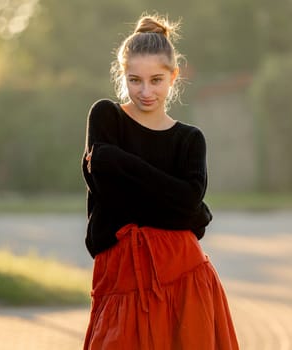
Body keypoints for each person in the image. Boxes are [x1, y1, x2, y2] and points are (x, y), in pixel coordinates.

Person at [81, 13, 239, 349]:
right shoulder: (106, 117)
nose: (145, 91)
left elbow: (186, 202)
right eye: (134, 79)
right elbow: (113, 196)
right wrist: (185, 208)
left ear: (173, 76)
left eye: (156, 79)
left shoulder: (189, 139)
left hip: (185, 278)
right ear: (122, 75)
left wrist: (117, 161)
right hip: (120, 279)